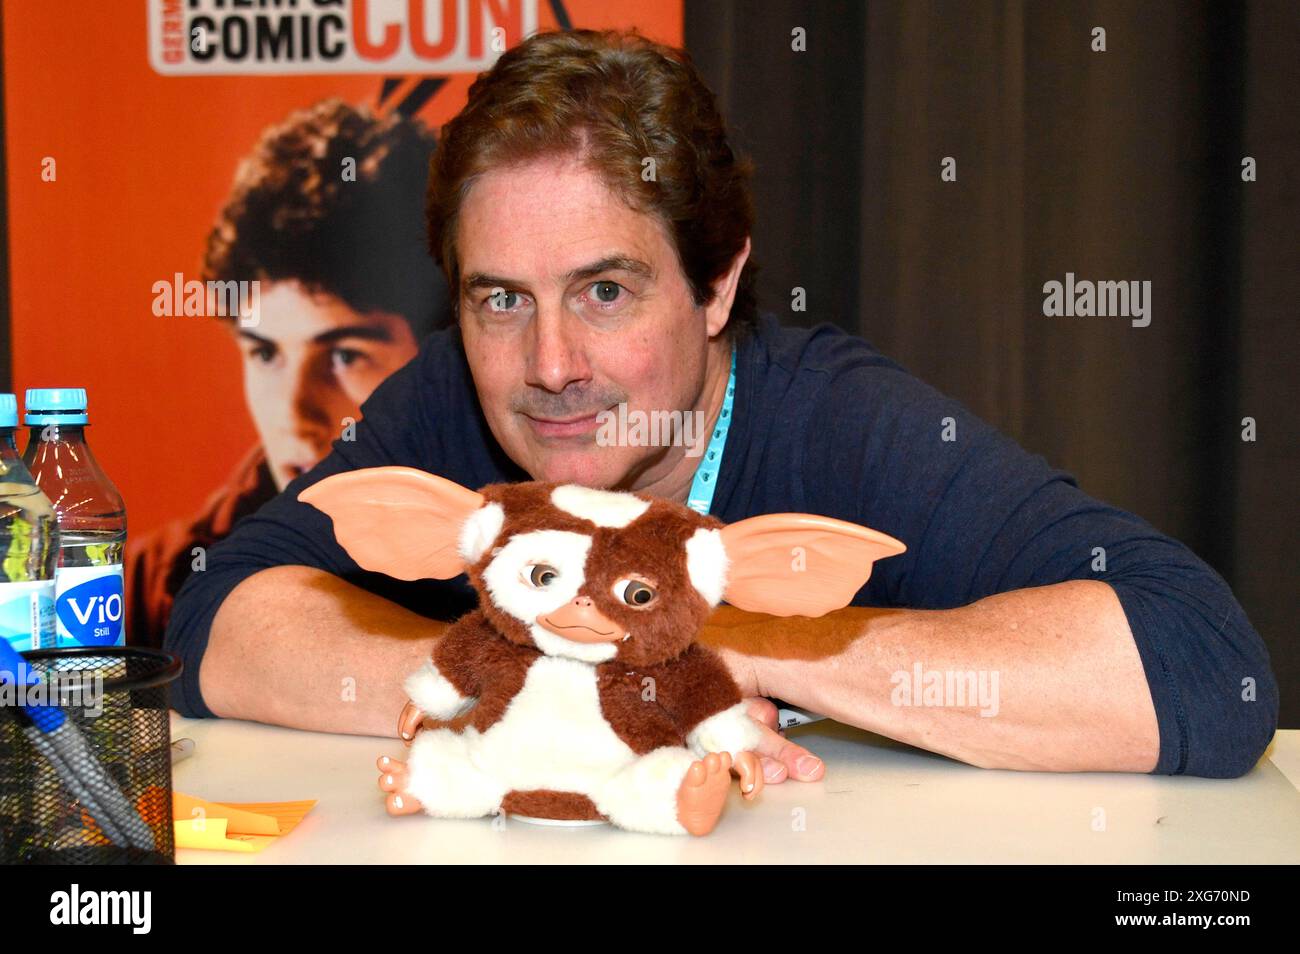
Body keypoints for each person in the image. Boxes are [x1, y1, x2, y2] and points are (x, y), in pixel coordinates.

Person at [164, 29, 1277, 783]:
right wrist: (542, 678)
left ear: (716, 285)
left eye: (605, 291)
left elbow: (1200, 667)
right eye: (501, 298)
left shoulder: (846, 425)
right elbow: (222, 615)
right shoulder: (454, 395)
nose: (550, 364)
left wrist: (725, 648)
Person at [127, 99, 452, 649]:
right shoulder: (145, 584)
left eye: (345, 355)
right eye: (265, 353)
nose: (293, 415)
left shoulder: (533, 556)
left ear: (440, 356)